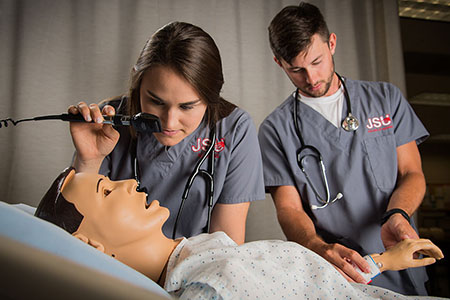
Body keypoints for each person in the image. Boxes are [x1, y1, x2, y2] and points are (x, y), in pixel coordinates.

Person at [35, 168, 444, 300]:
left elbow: (302, 284)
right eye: (107, 191)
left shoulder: (204, 251)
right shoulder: (203, 287)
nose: (127, 182)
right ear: (92, 247)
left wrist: (384, 260)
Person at [258, 2, 431, 295]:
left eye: (317, 62)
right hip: (335, 274)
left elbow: (412, 173)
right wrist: (318, 247)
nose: (311, 79)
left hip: (399, 258)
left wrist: (398, 214)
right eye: (296, 70)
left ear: (332, 43)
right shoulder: (276, 129)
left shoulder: (385, 99)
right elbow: (288, 208)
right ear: (279, 63)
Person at [58, 21, 265, 244]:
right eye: (156, 102)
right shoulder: (108, 123)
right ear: (138, 85)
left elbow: (225, 249)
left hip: (189, 272)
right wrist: (88, 162)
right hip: (112, 267)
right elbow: (71, 234)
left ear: (211, 97)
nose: (169, 121)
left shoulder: (235, 130)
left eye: (187, 106)